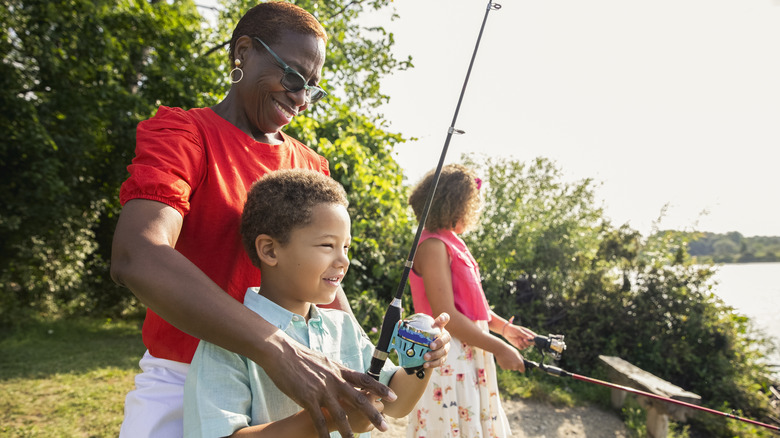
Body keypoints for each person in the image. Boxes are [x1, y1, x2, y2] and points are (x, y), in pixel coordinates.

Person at [110, 3, 449, 437]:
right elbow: (136, 254)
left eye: (313, 88)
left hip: (303, 380)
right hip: (182, 383)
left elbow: (326, 292)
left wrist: (355, 360)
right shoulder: (185, 135)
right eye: (293, 77)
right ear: (244, 52)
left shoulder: (309, 165)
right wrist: (278, 349)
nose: (301, 99)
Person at [183, 169, 451, 437]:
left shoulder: (343, 326)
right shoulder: (228, 339)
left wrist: (422, 361)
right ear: (270, 250)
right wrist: (332, 416)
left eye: (345, 247)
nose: (343, 260)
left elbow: (396, 401)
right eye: (327, 245)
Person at [404, 164, 538, 438]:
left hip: (471, 352)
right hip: (447, 355)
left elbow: (475, 307)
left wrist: (505, 330)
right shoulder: (432, 246)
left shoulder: (452, 242)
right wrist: (499, 348)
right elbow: (446, 313)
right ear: (455, 204)